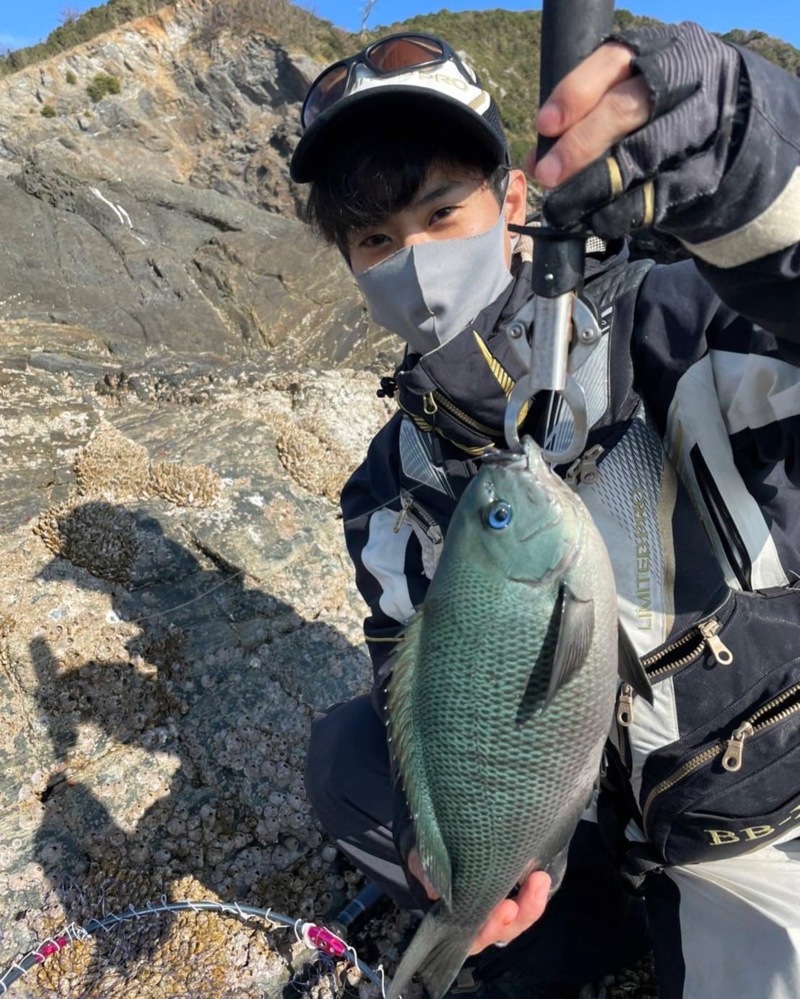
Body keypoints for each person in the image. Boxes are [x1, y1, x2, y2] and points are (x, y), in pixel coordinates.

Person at [290, 21, 800, 999]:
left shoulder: (675, 321)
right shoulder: (388, 485)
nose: (413, 258)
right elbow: (417, 684)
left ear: (513, 198)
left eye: (442, 213)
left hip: (749, 798)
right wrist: (449, 834)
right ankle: (539, 924)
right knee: (348, 762)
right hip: (572, 802)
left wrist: (752, 153)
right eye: (374, 241)